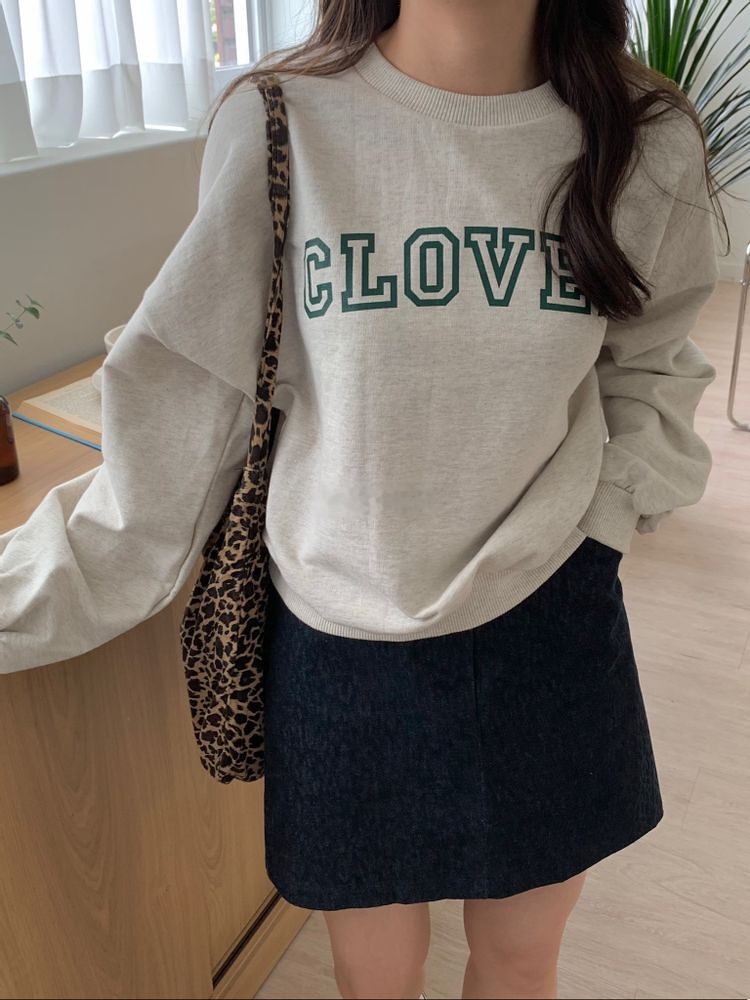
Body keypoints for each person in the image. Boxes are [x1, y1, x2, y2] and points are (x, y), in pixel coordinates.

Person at [0, 1, 724, 997]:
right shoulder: (279, 119)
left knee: (521, 961)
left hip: (550, 617)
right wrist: (37, 591)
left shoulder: (642, 136)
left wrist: (603, 525)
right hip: (340, 638)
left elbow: (653, 364)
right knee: (372, 976)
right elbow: (189, 399)